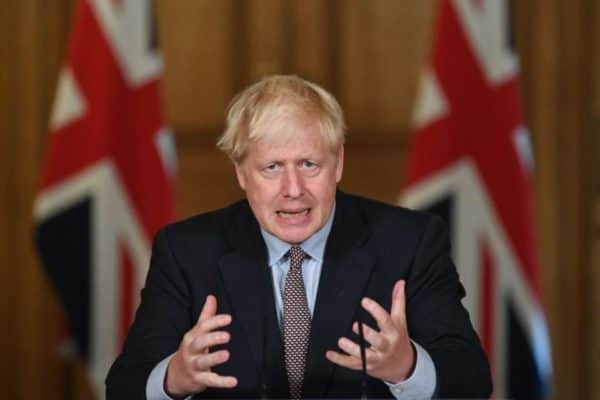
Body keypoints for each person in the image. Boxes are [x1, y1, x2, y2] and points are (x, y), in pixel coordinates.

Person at [105, 75, 492, 399]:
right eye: (272, 167)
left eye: (309, 165)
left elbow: (473, 380)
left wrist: (406, 367)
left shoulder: (410, 242)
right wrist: (173, 378)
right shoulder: (187, 251)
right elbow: (123, 387)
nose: (293, 189)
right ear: (241, 172)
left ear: (337, 163)